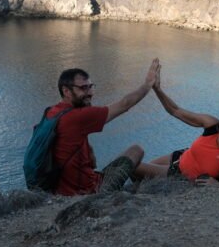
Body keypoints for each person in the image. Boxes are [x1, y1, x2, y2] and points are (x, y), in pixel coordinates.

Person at [48, 58, 160, 195]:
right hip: (90, 191)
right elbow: (125, 104)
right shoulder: (78, 116)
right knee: (136, 151)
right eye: (83, 88)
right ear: (66, 91)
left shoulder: (51, 113)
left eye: (90, 86)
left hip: (60, 188)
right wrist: (148, 84)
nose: (89, 93)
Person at [134, 78, 219, 186]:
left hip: (178, 174)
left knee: (133, 167)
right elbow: (175, 110)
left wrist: (218, 186)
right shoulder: (213, 125)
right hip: (178, 157)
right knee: (138, 176)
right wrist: (157, 89)